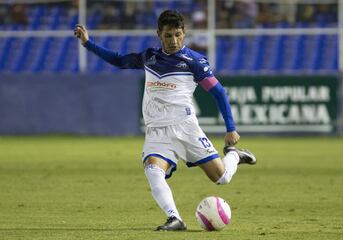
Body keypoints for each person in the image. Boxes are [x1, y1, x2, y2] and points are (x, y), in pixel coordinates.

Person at [74, 10, 256, 231]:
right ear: (159, 34)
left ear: (184, 33)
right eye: (168, 35)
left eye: (178, 35)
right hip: (157, 132)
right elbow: (120, 60)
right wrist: (87, 43)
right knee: (152, 169)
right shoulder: (149, 57)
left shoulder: (194, 62)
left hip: (186, 128)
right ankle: (175, 218)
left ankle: (235, 156)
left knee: (222, 178)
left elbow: (218, 92)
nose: (174, 41)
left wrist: (231, 129)